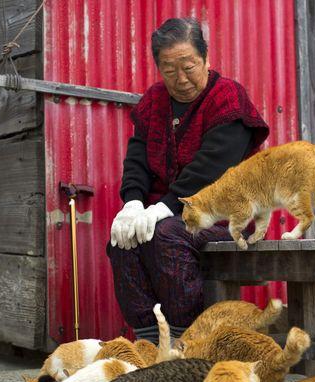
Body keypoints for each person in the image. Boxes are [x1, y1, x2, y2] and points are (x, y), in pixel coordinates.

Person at [107, 17, 269, 343]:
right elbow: (137, 159)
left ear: (206, 59)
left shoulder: (227, 98)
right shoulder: (153, 102)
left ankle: (188, 339)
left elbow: (211, 170)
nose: (180, 79)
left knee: (165, 235)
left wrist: (161, 209)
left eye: (189, 66)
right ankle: (150, 340)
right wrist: (134, 203)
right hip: (170, 212)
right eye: (169, 70)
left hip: (224, 215)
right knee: (122, 239)